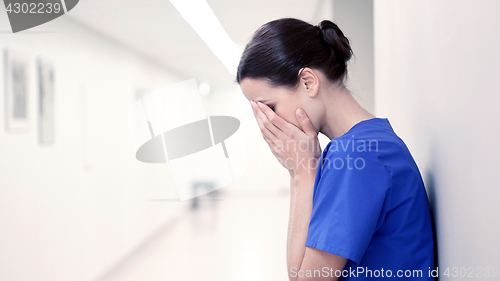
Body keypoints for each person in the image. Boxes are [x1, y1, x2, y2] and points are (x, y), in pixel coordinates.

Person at [236, 18, 434, 280]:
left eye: (269, 107)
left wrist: (301, 172)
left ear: (308, 81)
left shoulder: (356, 155)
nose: (267, 124)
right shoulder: (367, 143)